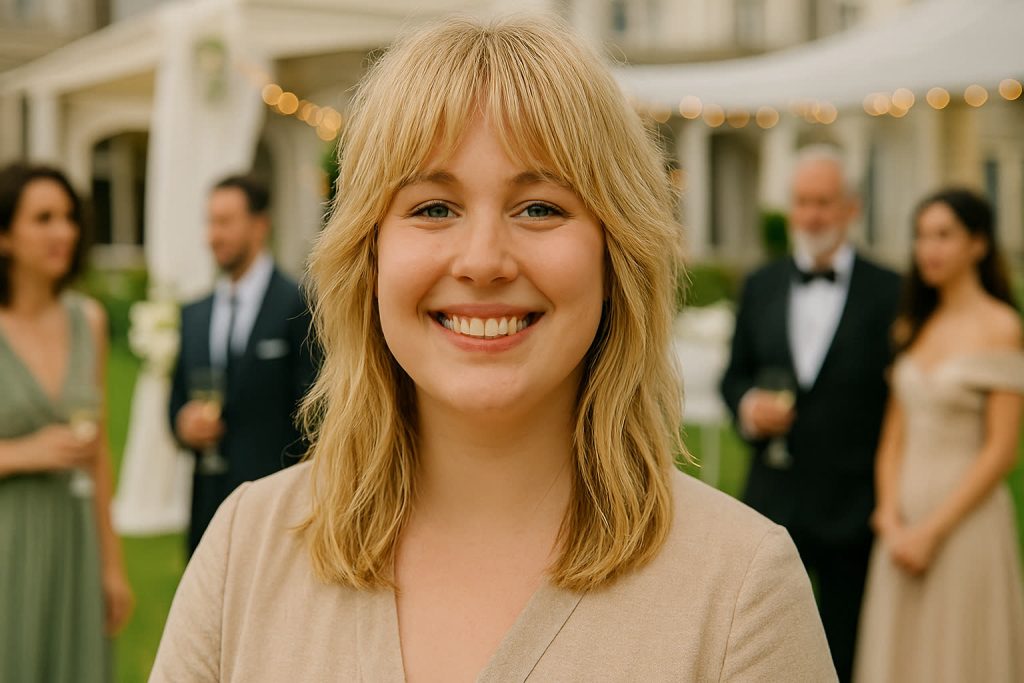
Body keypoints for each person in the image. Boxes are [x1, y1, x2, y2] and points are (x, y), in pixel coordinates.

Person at [152, 17, 835, 681]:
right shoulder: (245, 549)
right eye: (433, 208)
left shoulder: (741, 587)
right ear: (369, 257)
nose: (482, 261)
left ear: (614, 257)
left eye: (539, 207)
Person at [720, 145, 901, 681]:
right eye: (803, 202)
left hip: (855, 505)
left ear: (851, 208)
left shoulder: (890, 290)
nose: (813, 215)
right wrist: (749, 407)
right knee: (762, 650)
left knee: (847, 651)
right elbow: (734, 376)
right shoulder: (760, 284)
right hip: (772, 502)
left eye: (824, 202)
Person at [854, 189, 1024, 682]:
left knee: (959, 656)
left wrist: (930, 532)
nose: (929, 248)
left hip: (963, 526)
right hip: (901, 527)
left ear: (978, 244)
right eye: (922, 236)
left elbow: (1001, 451)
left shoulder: (1002, 327)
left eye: (944, 235)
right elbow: (892, 439)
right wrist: (889, 518)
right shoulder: (914, 325)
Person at [0, 163, 133, 681]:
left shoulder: (90, 320)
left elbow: (97, 452)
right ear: (5, 235)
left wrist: (111, 564)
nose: (64, 232)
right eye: (44, 218)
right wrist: (24, 453)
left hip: (75, 538)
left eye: (69, 217)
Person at [169, 175, 317, 555]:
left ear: (259, 225)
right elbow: (176, 402)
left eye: (225, 222)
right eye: (210, 222)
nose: (213, 236)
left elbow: (317, 414)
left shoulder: (297, 307)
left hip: (278, 514)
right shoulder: (194, 314)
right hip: (207, 510)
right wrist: (184, 424)